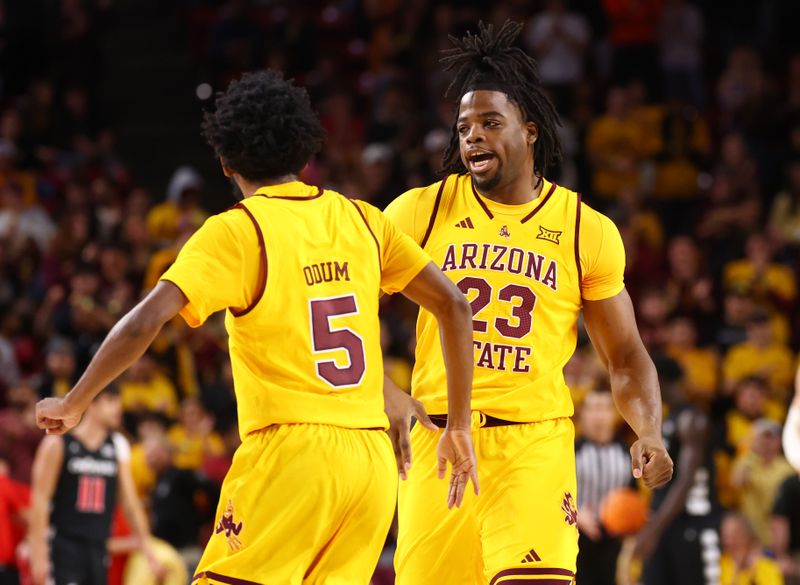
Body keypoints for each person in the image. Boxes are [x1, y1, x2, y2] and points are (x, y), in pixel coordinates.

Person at [35, 70, 478, 585]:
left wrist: (74, 400)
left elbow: (144, 322)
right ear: (304, 151)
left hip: (289, 454)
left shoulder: (237, 230)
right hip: (371, 463)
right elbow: (454, 305)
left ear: (225, 161)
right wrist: (455, 423)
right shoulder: (362, 219)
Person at [383, 21, 673, 585]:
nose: (472, 136)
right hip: (438, 441)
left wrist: (649, 431)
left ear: (530, 131)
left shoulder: (584, 229)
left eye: (491, 123)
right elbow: (342, 299)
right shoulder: (420, 210)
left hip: (532, 444)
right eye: (464, 126)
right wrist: (383, 388)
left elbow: (626, 357)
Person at [29, 386, 159, 585]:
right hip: (64, 546)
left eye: (118, 401)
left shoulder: (117, 445)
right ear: (91, 404)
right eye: (110, 401)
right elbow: (40, 500)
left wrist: (148, 549)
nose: (118, 408)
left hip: (99, 547)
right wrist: (38, 552)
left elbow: (130, 502)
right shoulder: (59, 444)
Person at [632, 357, 720, 585]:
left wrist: (652, 531)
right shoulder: (667, 419)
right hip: (665, 522)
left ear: (658, 380)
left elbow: (687, 480)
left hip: (692, 523)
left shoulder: (692, 419)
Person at [575, 390, 635, 585]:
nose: (598, 415)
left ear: (613, 414)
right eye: (593, 408)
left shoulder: (626, 452)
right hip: (576, 538)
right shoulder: (571, 450)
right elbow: (552, 491)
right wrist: (576, 514)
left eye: (604, 408)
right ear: (583, 414)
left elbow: (632, 495)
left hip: (613, 541)